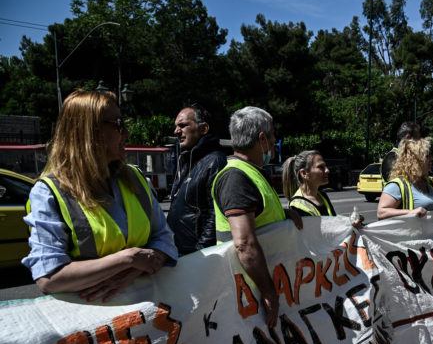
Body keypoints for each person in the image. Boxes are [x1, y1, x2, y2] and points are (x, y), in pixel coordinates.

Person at [23, 90, 177, 302]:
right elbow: (49, 278)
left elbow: (165, 238)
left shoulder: (135, 177)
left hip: (148, 315)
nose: (127, 133)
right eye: (118, 124)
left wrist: (135, 268)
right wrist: (127, 259)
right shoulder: (48, 192)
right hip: (92, 323)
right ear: (88, 132)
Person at [212, 106, 303, 328]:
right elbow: (244, 244)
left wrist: (284, 215)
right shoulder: (236, 177)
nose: (274, 141)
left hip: (258, 288)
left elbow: (260, 217)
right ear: (262, 139)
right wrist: (268, 291)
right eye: (272, 136)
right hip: (249, 294)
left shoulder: (249, 172)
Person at [167, 104, 228, 255]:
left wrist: (200, 254)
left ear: (204, 129)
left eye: (183, 125)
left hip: (196, 256)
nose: (176, 131)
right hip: (178, 253)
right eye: (176, 126)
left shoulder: (215, 161)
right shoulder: (187, 160)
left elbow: (214, 214)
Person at [377, 138, 433, 220]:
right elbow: (381, 213)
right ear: (414, 160)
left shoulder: (427, 182)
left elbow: (428, 205)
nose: (431, 159)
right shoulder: (397, 185)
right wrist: (410, 212)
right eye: (427, 156)